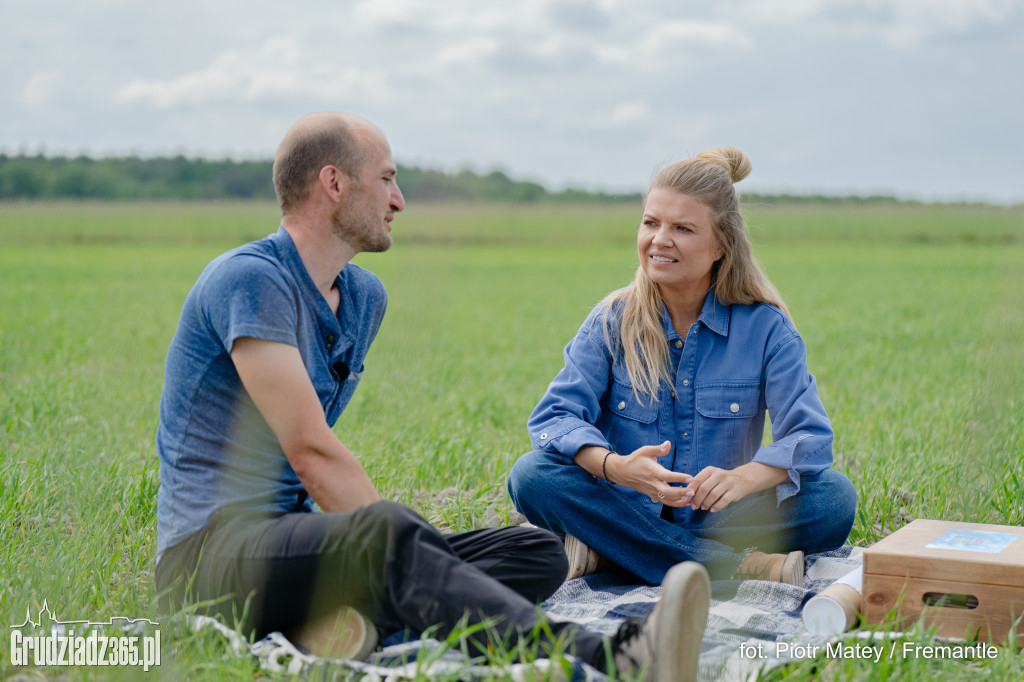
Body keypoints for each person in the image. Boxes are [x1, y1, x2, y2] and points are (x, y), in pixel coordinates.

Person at [153, 112, 711, 682]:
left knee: (532, 554)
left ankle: (340, 625)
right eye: (387, 179)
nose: (399, 200)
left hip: (293, 546)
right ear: (333, 183)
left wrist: (401, 556)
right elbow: (310, 451)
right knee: (387, 538)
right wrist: (392, 549)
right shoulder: (250, 280)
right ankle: (616, 657)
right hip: (209, 559)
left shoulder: (363, 297)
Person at [507, 147, 857, 586]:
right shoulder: (611, 320)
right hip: (623, 505)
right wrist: (616, 467)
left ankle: (616, 551)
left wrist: (745, 478)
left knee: (833, 499)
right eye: (651, 222)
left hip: (720, 518)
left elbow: (811, 438)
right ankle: (734, 566)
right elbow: (553, 418)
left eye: (683, 228)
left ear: (720, 245)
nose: (659, 239)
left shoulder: (768, 329)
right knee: (531, 476)